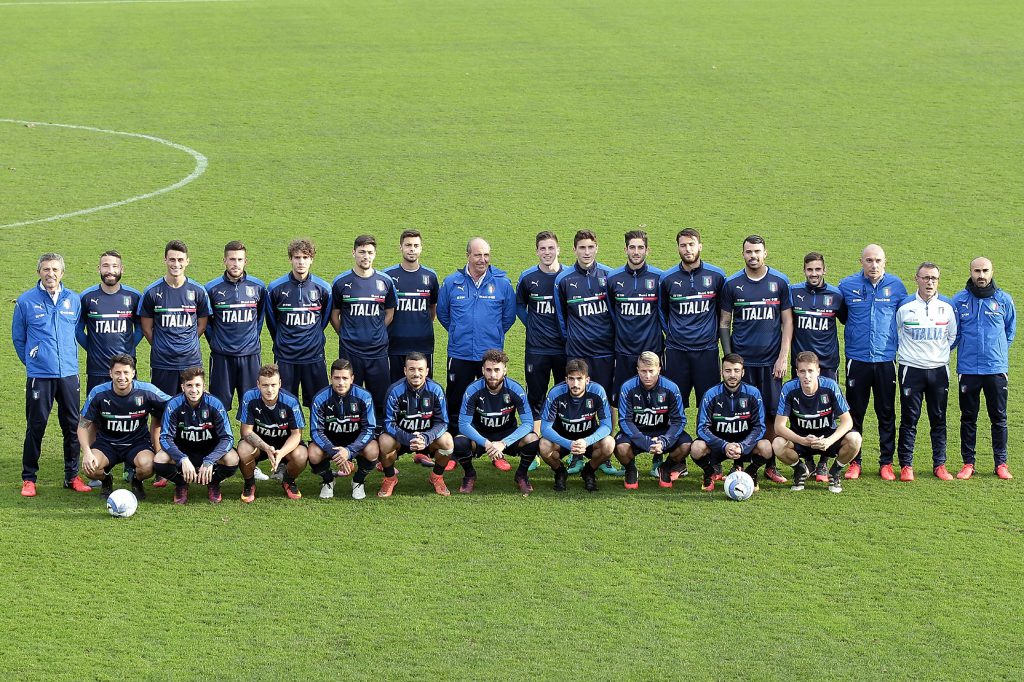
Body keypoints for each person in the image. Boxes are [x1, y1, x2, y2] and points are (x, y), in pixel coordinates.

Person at [13, 252, 92, 496]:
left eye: (55, 270)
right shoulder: (26, 301)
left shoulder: (73, 300)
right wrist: (33, 363)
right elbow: (18, 338)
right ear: (39, 272)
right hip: (40, 375)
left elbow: (78, 332)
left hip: (68, 374)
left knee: (71, 426)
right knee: (36, 426)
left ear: (62, 273)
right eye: (46, 269)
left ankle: (72, 476)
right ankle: (29, 478)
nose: (51, 274)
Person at [718, 235, 792, 484]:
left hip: (771, 363)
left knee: (771, 414)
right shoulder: (732, 284)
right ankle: (739, 465)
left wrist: (783, 357)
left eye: (757, 251)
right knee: (742, 414)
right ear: (743, 254)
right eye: (749, 252)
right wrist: (730, 359)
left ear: (765, 253)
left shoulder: (779, 282)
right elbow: (724, 323)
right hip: (744, 364)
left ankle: (770, 465)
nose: (753, 256)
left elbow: (787, 321)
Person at [658, 228, 727, 479]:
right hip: (676, 352)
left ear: (701, 246)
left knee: (709, 406)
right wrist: (674, 336)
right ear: (678, 247)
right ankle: (674, 458)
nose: (688, 249)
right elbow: (662, 314)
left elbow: (723, 314)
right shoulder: (667, 279)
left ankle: (711, 458)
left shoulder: (717, 276)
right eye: (683, 245)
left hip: (707, 352)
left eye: (692, 244)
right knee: (673, 406)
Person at [553, 230, 621, 476]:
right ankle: (575, 454)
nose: (586, 252)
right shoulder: (563, 280)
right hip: (577, 352)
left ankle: (605, 455)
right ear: (574, 250)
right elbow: (561, 318)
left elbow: (615, 313)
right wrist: (572, 339)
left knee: (605, 400)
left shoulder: (609, 276)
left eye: (590, 247)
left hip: (604, 351)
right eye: (582, 248)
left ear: (597, 248)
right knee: (575, 402)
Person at [838, 244, 908, 479]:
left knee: (886, 412)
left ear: (885, 261)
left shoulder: (897, 287)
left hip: (886, 360)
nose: (874, 265)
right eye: (869, 260)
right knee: (855, 413)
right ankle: (854, 461)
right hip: (857, 359)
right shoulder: (847, 286)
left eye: (878, 260)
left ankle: (886, 462)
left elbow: (903, 318)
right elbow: (842, 316)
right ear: (861, 262)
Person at [437, 237, 516, 434]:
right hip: (460, 353)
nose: (483, 259)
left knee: (492, 403)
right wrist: (459, 332)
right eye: (478, 254)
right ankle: (454, 447)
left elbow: (508, 317)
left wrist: (491, 334)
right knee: (456, 400)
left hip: (490, 356)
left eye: (486, 255)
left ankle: (493, 447)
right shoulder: (451, 283)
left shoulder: (502, 284)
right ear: (468, 256)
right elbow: (443, 314)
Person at [952, 257, 1016, 480]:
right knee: (968, 417)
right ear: (970, 271)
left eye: (985, 270)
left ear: (992, 271)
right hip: (968, 369)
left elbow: (1009, 332)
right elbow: (954, 333)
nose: (981, 275)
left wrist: (995, 353)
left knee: (999, 417)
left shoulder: (1004, 300)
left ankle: (1001, 463)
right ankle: (968, 463)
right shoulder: (958, 301)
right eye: (977, 271)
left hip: (995, 369)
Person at [893, 263, 958, 482]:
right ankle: (906, 465)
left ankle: (939, 464)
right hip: (911, 369)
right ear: (916, 279)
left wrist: (936, 355)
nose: (930, 282)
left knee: (938, 419)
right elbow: (896, 335)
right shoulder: (905, 307)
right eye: (926, 278)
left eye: (934, 278)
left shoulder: (947, 307)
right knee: (909, 419)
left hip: (938, 370)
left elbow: (952, 337)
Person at [78, 354, 170, 500]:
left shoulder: (146, 391)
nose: (122, 377)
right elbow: (83, 425)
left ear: (133, 373)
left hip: (137, 443)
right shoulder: (98, 393)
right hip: (107, 444)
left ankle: (137, 481)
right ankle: (106, 480)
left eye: (126, 372)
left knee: (148, 466)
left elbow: (174, 404)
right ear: (110, 373)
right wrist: (87, 452)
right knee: (90, 468)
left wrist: (200, 397)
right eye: (117, 373)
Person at [772, 351, 861, 493]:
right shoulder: (789, 389)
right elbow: (778, 427)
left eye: (810, 371)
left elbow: (847, 422)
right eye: (802, 371)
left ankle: (835, 472)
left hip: (826, 438)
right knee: (777, 444)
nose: (807, 376)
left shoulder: (830, 386)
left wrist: (829, 441)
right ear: (797, 372)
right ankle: (800, 470)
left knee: (855, 439)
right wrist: (802, 440)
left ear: (818, 371)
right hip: (801, 438)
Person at [454, 349, 540, 495]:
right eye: (488, 370)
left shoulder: (515, 389)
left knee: (532, 439)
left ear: (504, 370)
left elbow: (527, 423)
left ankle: (521, 475)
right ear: (482, 370)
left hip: (506, 435)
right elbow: (463, 424)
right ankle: (469, 475)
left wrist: (503, 443)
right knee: (459, 442)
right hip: (481, 435)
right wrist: (487, 443)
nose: (492, 375)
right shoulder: (473, 390)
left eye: (497, 370)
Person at [331, 234, 396, 422]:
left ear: (375, 255)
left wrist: (378, 330)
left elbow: (390, 311)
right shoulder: (341, 282)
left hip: (378, 351)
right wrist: (344, 334)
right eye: (361, 252)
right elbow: (334, 314)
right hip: (350, 351)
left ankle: (379, 436)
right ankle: (351, 435)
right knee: (350, 396)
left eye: (369, 253)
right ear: (354, 253)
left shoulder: (385, 281)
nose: (365, 256)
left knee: (380, 398)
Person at [153, 367, 238, 504]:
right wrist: (182, 459)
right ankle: (181, 484)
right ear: (183, 387)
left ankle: (213, 483)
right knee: (159, 459)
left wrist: (210, 459)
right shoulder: (173, 404)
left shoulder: (215, 404)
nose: (193, 390)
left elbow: (227, 438)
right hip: (183, 451)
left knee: (233, 459)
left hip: (210, 451)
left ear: (204, 386)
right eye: (189, 386)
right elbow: (165, 438)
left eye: (197, 385)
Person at [690, 354, 773, 492]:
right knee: (696, 447)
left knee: (766, 447)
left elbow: (759, 427)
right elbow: (701, 428)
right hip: (718, 445)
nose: (732, 375)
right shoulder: (711, 394)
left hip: (744, 445)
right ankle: (710, 472)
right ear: (721, 372)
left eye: (736, 370)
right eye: (728, 371)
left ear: (743, 372)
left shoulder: (753, 393)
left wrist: (742, 446)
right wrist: (724, 445)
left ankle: (750, 472)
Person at [377, 353, 456, 498]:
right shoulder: (394, 391)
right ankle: (390, 478)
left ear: (427, 371)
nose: (416, 374)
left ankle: (436, 476)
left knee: (447, 441)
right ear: (405, 371)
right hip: (402, 439)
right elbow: (388, 423)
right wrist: (408, 438)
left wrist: (426, 437)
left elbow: (442, 422)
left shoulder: (436, 390)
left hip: (427, 439)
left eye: (420, 369)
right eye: (412, 369)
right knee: (384, 441)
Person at [138, 240, 211, 396]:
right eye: (172, 259)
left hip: (191, 361)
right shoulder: (152, 292)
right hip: (162, 363)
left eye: (180, 260)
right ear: (165, 260)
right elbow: (146, 328)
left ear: (187, 262)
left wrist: (187, 342)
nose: (176, 264)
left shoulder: (198, 291)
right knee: (162, 411)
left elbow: (202, 325)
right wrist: (161, 345)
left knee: (193, 411)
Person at [266, 238, 333, 408]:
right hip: (286, 356)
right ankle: (291, 435)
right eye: (297, 257)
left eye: (305, 257)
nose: (301, 262)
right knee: (285, 402)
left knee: (319, 402)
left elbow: (323, 320)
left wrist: (313, 337)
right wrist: (282, 340)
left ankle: (316, 435)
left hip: (313, 355)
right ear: (290, 259)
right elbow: (272, 322)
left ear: (311, 259)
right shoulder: (276, 288)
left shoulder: (323, 288)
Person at [204, 240, 267, 410]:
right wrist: (217, 342)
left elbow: (260, 318)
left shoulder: (258, 287)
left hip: (250, 356)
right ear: (224, 261)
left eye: (239, 259)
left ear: (246, 261)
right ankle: (222, 438)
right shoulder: (211, 289)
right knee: (218, 406)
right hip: (222, 357)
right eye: (232, 259)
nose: (235, 264)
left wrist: (252, 338)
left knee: (253, 406)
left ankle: (247, 438)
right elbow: (207, 323)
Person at [615, 352, 691, 490]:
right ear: (637, 370)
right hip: (637, 432)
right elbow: (625, 420)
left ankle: (665, 468)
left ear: (659, 369)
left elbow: (678, 420)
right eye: (643, 371)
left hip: (663, 432)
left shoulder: (671, 388)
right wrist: (645, 441)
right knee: (620, 448)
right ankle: (631, 470)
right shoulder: (627, 387)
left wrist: (664, 440)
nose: (647, 376)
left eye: (651, 371)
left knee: (686, 444)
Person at [538, 359, 616, 492]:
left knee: (609, 443)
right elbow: (545, 428)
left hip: (588, 440)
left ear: (587, 380)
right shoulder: (556, 393)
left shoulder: (597, 391)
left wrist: (586, 442)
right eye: (571, 379)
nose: (575, 384)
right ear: (566, 379)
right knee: (544, 445)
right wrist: (568, 443)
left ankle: (589, 471)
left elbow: (607, 426)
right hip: (562, 440)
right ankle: (560, 472)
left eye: (579, 379)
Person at [307, 359, 380, 501]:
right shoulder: (320, 398)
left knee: (373, 449)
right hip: (331, 442)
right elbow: (316, 431)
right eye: (337, 378)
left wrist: (350, 451)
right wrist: (336, 453)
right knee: (313, 453)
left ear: (352, 379)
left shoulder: (364, 396)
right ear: (331, 378)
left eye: (345, 378)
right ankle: (328, 480)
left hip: (355, 442)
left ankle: (358, 481)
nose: (341, 382)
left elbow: (369, 429)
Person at [236, 364, 309, 501]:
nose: (270, 390)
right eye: (265, 385)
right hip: (260, 445)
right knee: (243, 449)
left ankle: (288, 481)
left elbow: (297, 434)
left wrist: (281, 453)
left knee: (301, 455)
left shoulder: (291, 401)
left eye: (273, 385)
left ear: (280, 384)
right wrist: (266, 448)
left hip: (284, 445)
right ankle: (249, 484)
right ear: (258, 384)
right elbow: (246, 432)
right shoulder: (249, 397)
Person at [516, 231, 566, 428]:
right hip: (537, 349)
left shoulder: (567, 276)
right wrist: (532, 324)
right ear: (537, 251)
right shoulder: (528, 277)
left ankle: (562, 441)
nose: (547, 252)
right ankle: (535, 446)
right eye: (543, 249)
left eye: (551, 248)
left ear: (558, 250)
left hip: (564, 347)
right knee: (536, 397)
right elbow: (519, 305)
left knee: (565, 394)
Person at [77, 250, 143, 394]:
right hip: (97, 369)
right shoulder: (86, 297)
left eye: (115, 266)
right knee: (96, 413)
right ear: (99, 269)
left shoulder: (134, 296)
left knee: (128, 410)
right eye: (106, 266)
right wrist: (92, 348)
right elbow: (78, 330)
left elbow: (141, 327)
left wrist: (129, 345)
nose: (110, 271)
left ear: (122, 269)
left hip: (126, 369)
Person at [608, 229, 663, 399]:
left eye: (640, 247)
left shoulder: (659, 277)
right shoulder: (613, 278)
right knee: (621, 397)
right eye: (632, 247)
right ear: (625, 250)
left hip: (652, 350)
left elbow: (663, 312)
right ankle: (620, 427)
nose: (636, 252)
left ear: (647, 250)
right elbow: (611, 313)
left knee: (655, 397)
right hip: (624, 350)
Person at [383, 229, 439, 382]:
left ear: (421, 248)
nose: (412, 249)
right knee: (394, 389)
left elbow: (432, 308)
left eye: (416, 245)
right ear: (400, 247)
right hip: (395, 345)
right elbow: (384, 310)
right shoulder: (387, 276)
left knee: (423, 390)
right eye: (408, 245)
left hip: (423, 344)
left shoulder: (430, 276)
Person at [789, 252, 844, 382]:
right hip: (801, 363)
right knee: (802, 401)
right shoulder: (793, 292)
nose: (814, 273)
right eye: (810, 269)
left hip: (827, 364)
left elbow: (846, 319)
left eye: (818, 269)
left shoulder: (836, 295)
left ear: (824, 270)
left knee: (828, 401)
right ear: (804, 271)